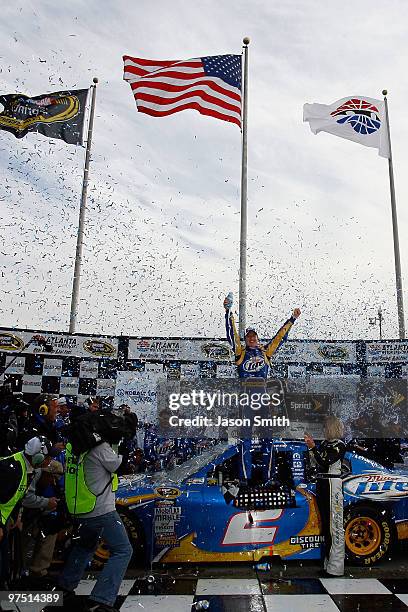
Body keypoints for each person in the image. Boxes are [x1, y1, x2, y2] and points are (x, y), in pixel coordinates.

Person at [224, 293, 301, 482]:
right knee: (246, 440)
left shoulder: (266, 352)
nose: (251, 339)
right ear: (246, 339)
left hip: (263, 401)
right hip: (247, 402)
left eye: (254, 336)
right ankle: (245, 478)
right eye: (248, 336)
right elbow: (231, 335)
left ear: (257, 338)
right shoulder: (240, 353)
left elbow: (279, 337)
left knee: (268, 440)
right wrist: (228, 312)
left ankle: (267, 477)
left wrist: (292, 319)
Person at [53, 436, 133, 611]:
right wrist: (121, 447)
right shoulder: (100, 447)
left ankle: (64, 587)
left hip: (79, 506)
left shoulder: (73, 445)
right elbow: (119, 465)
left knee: (85, 546)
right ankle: (102, 599)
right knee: (123, 550)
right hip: (100, 508)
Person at [0, 436, 52, 588]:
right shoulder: (11, 469)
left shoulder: (27, 468)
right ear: (38, 456)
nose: (49, 461)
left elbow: (17, 496)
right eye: (48, 457)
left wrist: (17, 517)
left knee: (3, 566)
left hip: (5, 519)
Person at [304, 416, 346, 577]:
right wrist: (311, 448)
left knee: (334, 525)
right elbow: (315, 462)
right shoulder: (324, 444)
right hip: (322, 483)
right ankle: (328, 564)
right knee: (325, 525)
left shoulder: (340, 445)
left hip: (332, 484)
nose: (323, 430)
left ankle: (336, 567)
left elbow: (326, 461)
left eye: (325, 427)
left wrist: (313, 447)